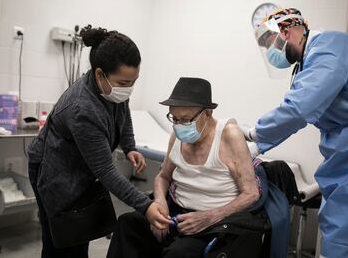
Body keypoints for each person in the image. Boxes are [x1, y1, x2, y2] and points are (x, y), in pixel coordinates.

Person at [241, 7, 348, 258]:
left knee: (344, 239)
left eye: (271, 42)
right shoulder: (308, 62)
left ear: (288, 31)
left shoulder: (330, 47)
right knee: (342, 230)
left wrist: (254, 137)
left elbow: (299, 108)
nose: (271, 52)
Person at [27, 25, 171, 258]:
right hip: (54, 172)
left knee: (80, 234)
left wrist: (130, 147)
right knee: (61, 243)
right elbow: (106, 170)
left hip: (81, 169)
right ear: (99, 74)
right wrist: (145, 206)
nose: (129, 89)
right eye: (124, 83)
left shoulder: (111, 89)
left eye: (134, 82)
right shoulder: (82, 108)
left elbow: (123, 114)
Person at [107, 77, 261, 258]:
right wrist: (160, 203)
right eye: (175, 119)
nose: (179, 126)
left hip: (213, 223)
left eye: (186, 120)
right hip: (176, 213)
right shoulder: (177, 134)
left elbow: (251, 194)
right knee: (128, 224)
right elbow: (163, 176)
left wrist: (210, 217)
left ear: (207, 114)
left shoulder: (229, 135)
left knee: (178, 253)